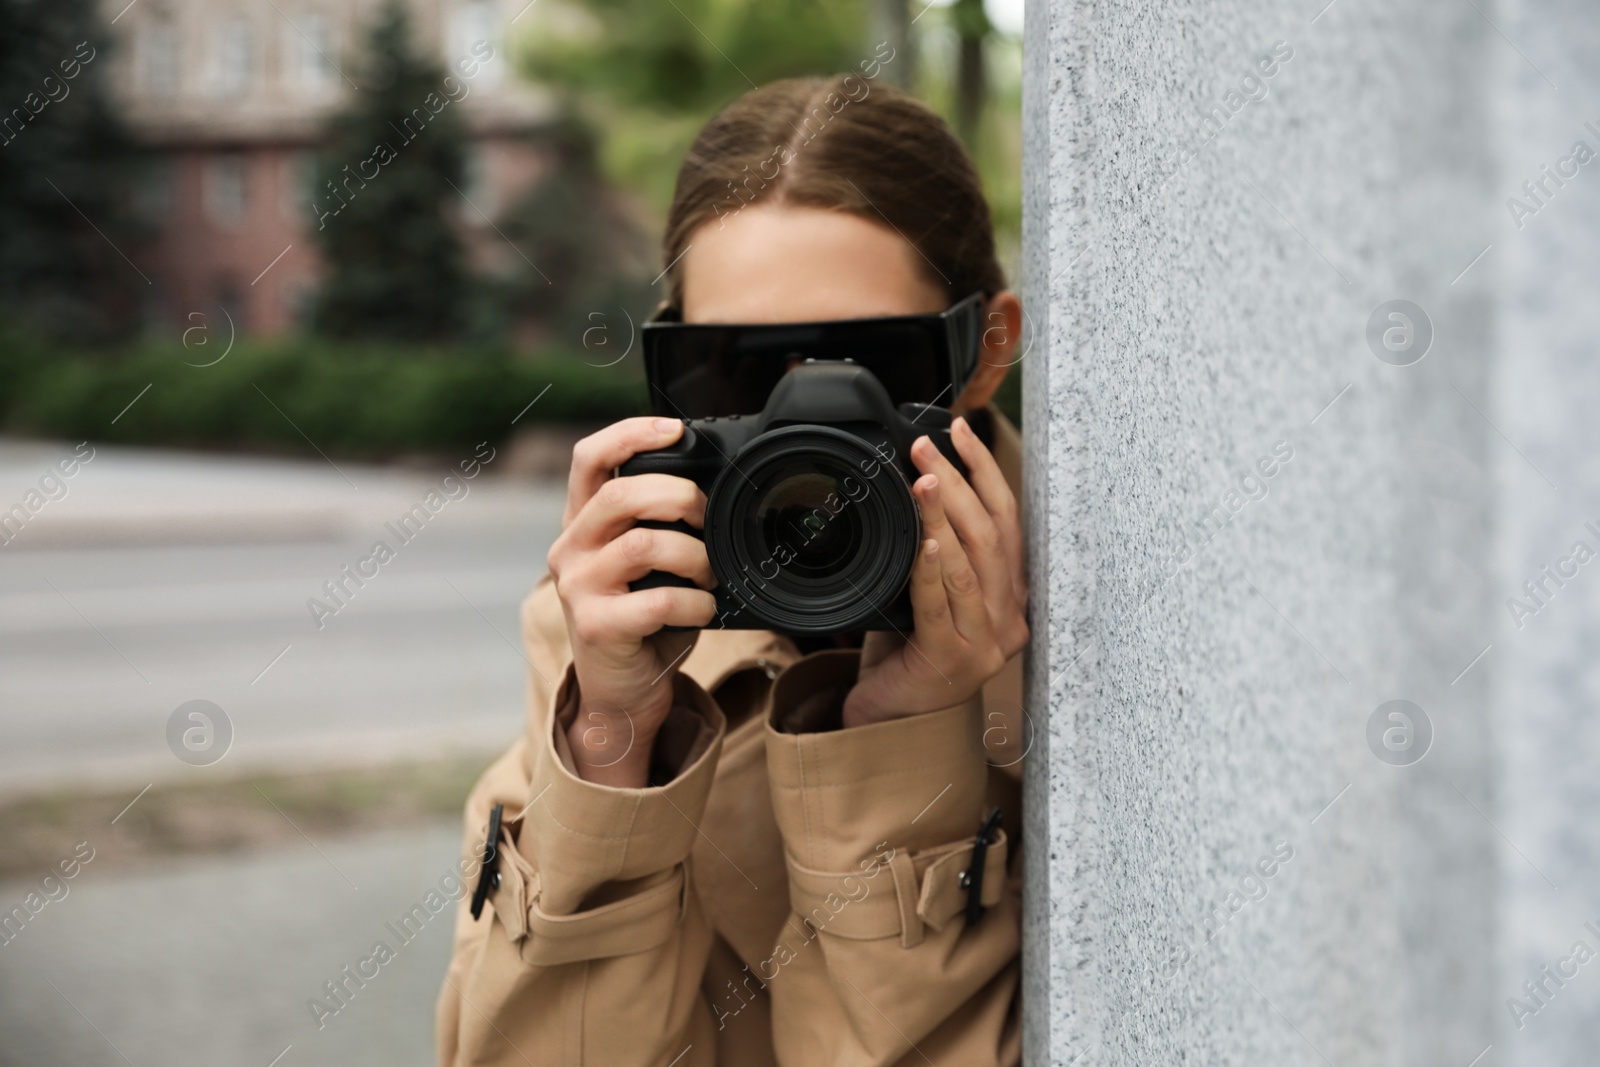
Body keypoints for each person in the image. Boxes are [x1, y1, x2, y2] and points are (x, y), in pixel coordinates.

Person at [435, 73, 1028, 1067]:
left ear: (984, 349)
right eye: (736, 370)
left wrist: (904, 734)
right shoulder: (622, 637)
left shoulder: (1078, 634)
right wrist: (614, 742)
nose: (809, 424)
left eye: (874, 366)